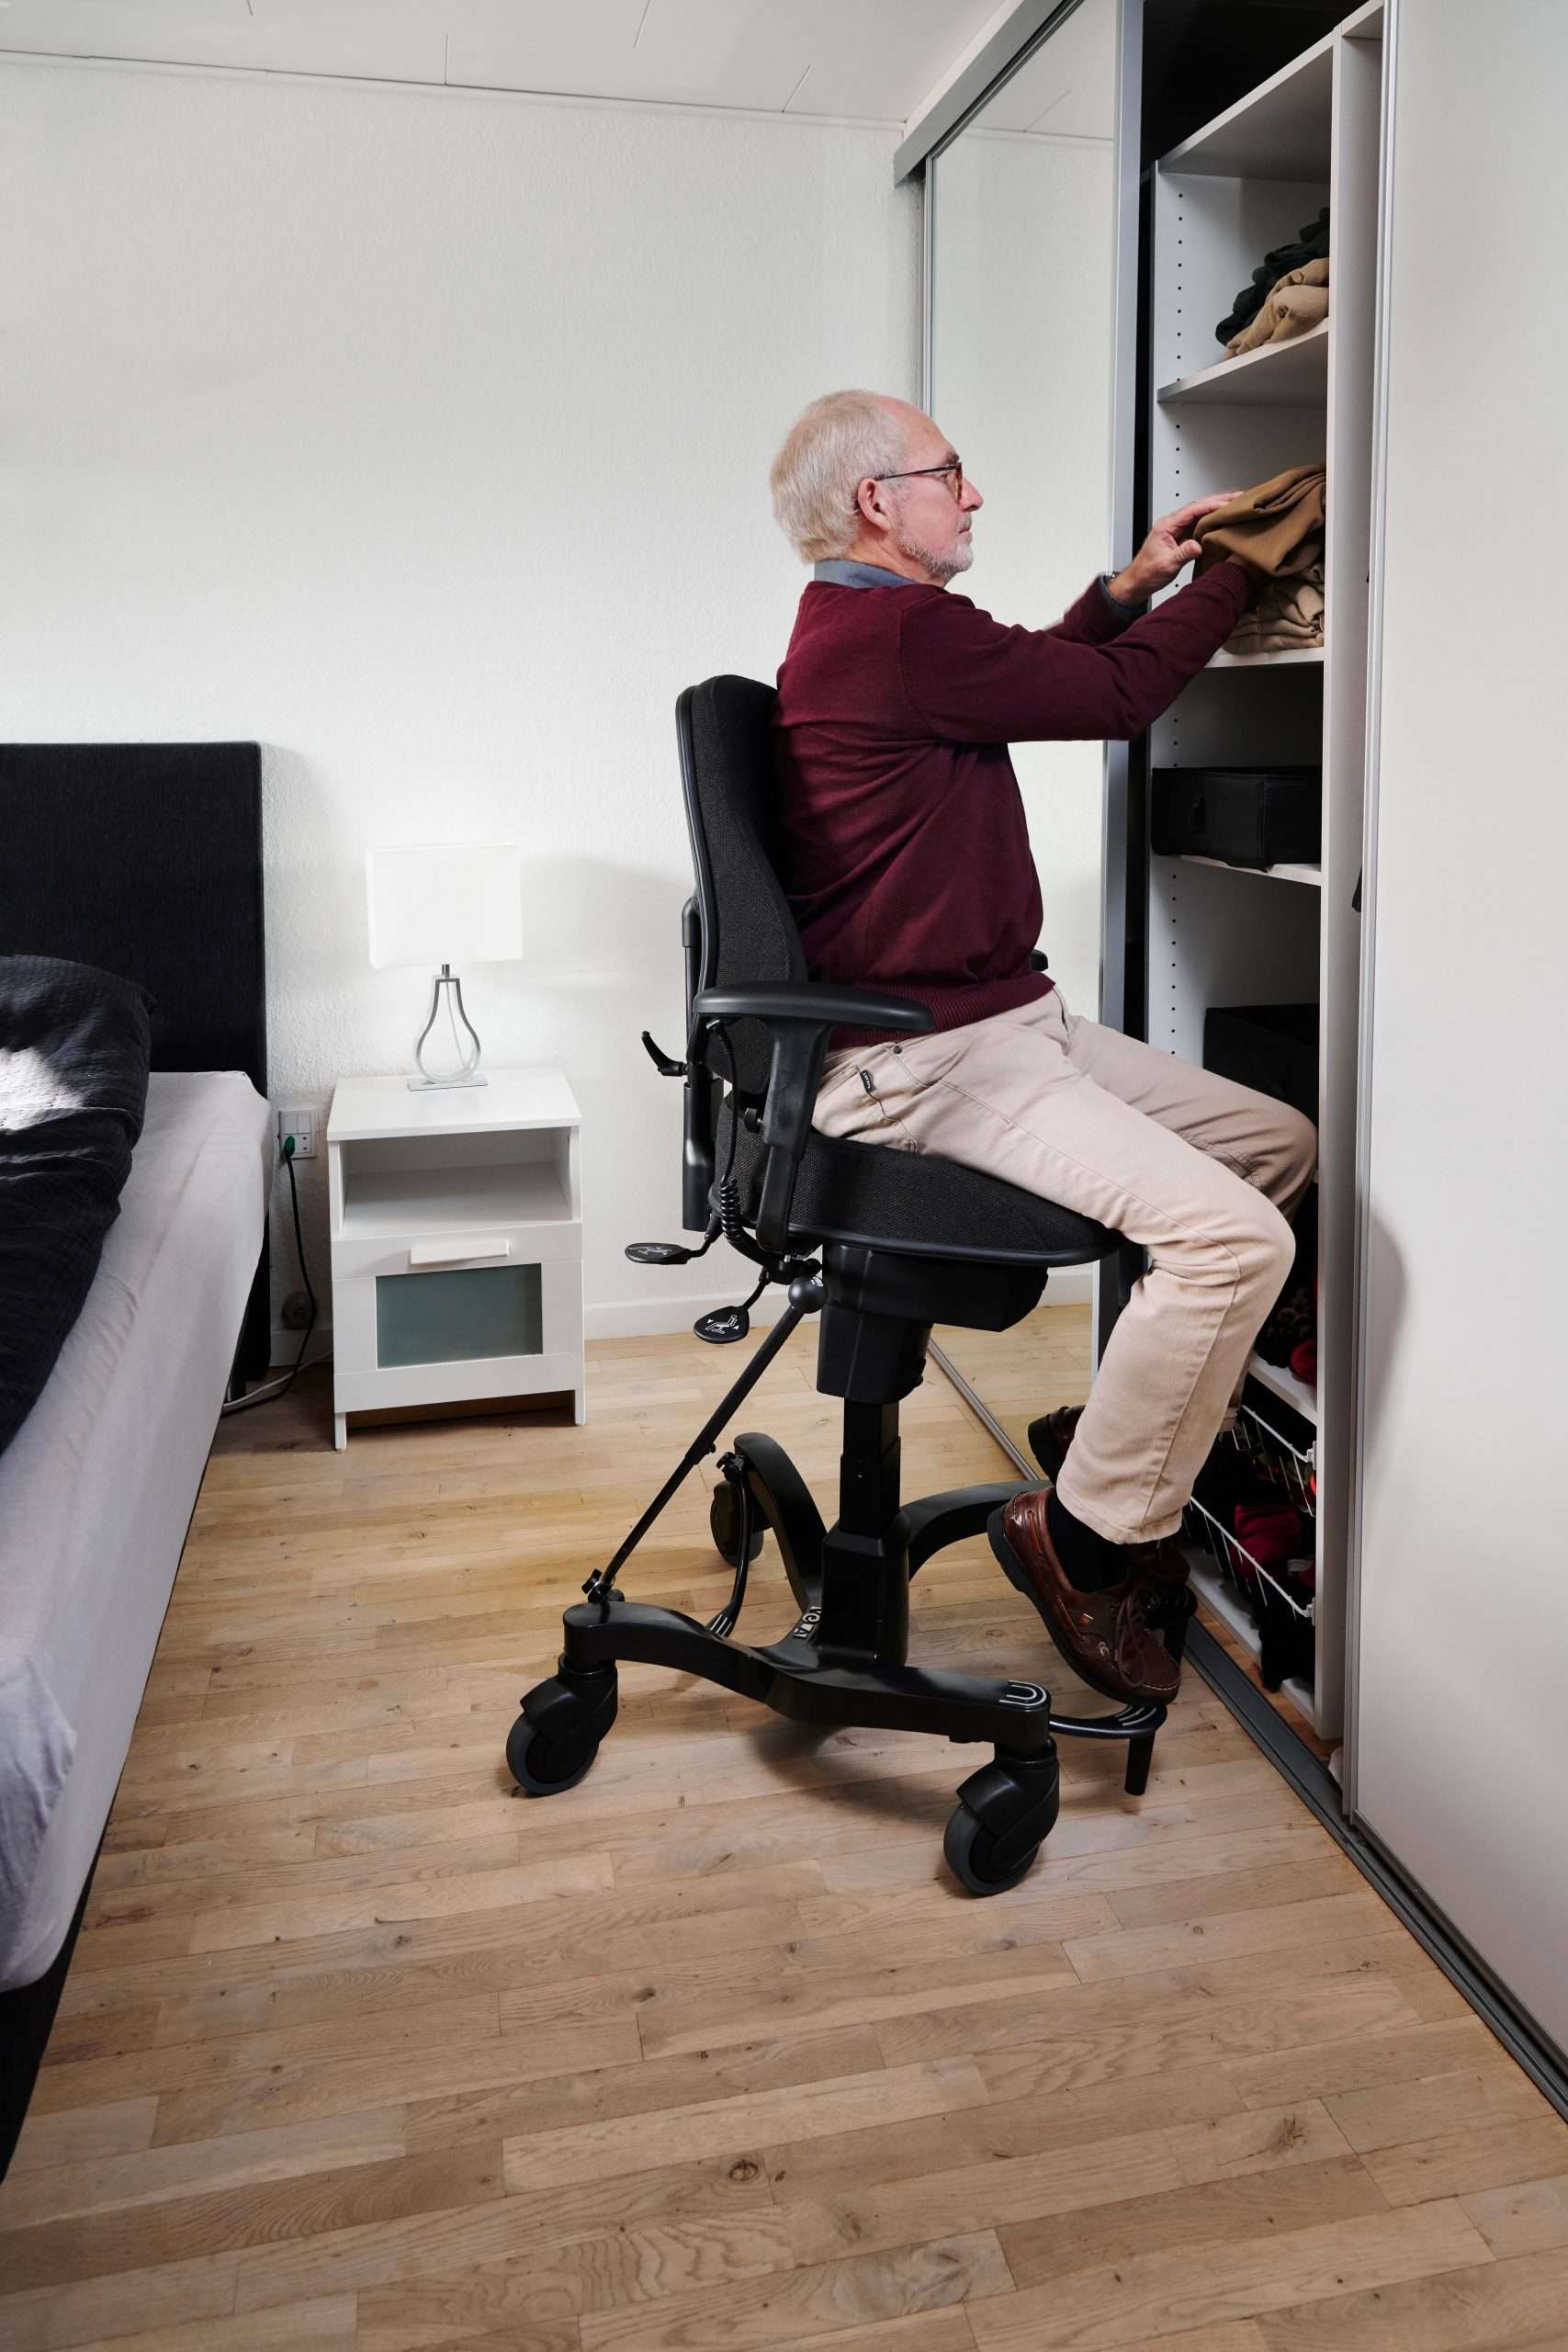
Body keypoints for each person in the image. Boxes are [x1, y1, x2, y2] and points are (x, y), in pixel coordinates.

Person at [769, 389, 1316, 1708]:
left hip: (1007, 1026)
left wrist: (1129, 587)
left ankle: (1123, 1444)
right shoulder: (894, 632)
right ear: (874, 503)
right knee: (1239, 1242)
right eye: (950, 470)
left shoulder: (887, 633)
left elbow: (1038, 675)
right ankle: (1076, 1540)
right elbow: (1118, 701)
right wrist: (1242, 569)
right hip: (930, 1060)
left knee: (1278, 1147)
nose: (973, 491)